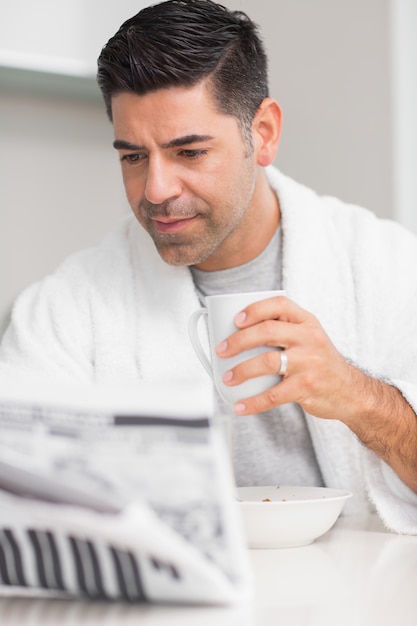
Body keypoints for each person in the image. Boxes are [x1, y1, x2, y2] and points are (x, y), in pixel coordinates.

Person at [1, 0, 416, 532]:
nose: (156, 189)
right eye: (132, 156)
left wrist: (360, 397)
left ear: (262, 132)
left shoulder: (389, 267)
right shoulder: (66, 309)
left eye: (189, 152)